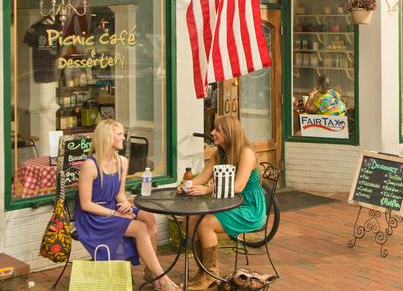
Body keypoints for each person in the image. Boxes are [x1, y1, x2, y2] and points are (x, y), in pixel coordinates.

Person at [75, 120, 178, 290]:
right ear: (107, 137)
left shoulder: (122, 161)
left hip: (113, 206)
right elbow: (86, 204)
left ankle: (150, 271)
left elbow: (119, 194)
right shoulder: (90, 165)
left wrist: (126, 206)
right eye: (120, 134)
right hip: (94, 216)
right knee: (140, 228)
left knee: (148, 217)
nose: (124, 137)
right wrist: (116, 214)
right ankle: (163, 279)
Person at [183, 114, 266, 290]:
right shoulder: (220, 152)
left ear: (228, 133)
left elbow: (238, 186)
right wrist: (185, 186)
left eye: (217, 130)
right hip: (227, 203)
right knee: (190, 219)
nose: (212, 132)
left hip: (248, 208)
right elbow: (203, 177)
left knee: (206, 224)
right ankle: (204, 270)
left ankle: (209, 274)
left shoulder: (246, 153)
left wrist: (207, 189)